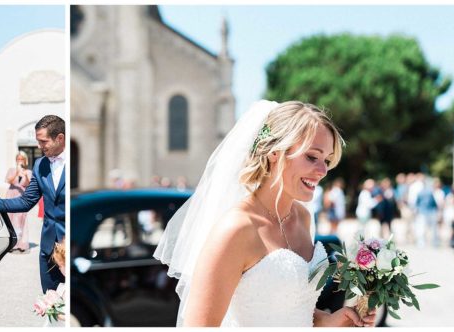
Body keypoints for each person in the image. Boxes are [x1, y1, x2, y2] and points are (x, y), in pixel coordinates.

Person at [153, 100, 374, 327]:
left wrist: (330, 321)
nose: (323, 171)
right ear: (275, 153)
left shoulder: (303, 218)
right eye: (311, 157)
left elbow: (292, 308)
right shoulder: (237, 228)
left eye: (326, 160)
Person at [0, 115, 67, 293]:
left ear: (60, 138)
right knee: (51, 302)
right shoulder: (40, 164)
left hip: (72, 247)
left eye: (43, 141)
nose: (39, 146)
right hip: (49, 250)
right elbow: (26, 201)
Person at [6, 152, 34, 253]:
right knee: (10, 218)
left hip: (22, 196)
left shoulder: (28, 171)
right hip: (11, 195)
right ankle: (12, 243)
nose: (20, 160)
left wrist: (25, 175)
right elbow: (8, 181)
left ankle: (22, 243)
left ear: (25, 160)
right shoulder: (12, 170)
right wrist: (16, 173)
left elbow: (28, 184)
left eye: (22, 158)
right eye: (18, 158)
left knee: (21, 219)